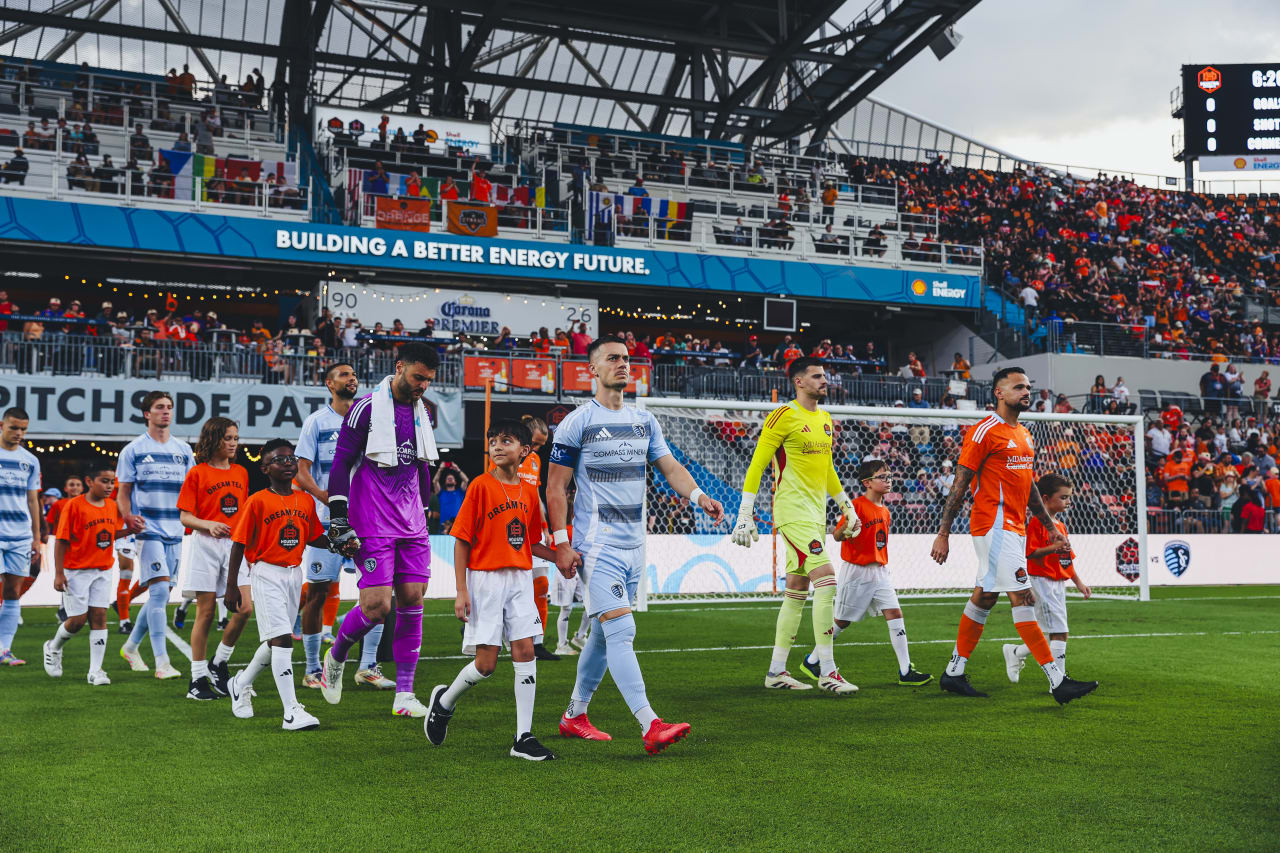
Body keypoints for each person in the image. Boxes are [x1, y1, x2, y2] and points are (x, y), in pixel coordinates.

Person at [549, 335, 723, 753]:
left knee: (603, 637)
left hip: (635, 546)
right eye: (612, 358)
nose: (622, 364)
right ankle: (650, 724)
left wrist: (699, 496)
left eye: (627, 359)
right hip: (598, 545)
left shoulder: (645, 420)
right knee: (622, 630)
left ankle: (574, 715)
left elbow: (670, 466)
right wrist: (561, 543)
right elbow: (556, 488)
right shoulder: (577, 422)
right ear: (592, 369)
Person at [929, 367, 1097, 704]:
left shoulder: (1024, 434)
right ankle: (1057, 680)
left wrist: (1049, 525)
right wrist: (943, 533)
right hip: (993, 526)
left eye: (1028, 386)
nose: (1026, 391)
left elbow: (1028, 484)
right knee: (1023, 598)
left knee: (985, 597)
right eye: (1018, 387)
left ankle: (954, 672)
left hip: (1014, 528)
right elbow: (960, 484)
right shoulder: (983, 433)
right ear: (998, 393)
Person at [425, 418, 560, 760]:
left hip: (519, 579)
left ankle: (523, 737)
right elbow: (460, 542)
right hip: (484, 580)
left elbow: (529, 542)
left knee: (526, 652)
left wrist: (560, 556)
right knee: (486, 665)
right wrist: (461, 590)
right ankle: (443, 702)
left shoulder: (529, 492)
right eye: (493, 441)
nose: (497, 446)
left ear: (525, 451)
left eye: (506, 441)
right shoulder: (481, 487)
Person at [320, 343, 440, 718]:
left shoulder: (424, 413)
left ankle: (404, 695)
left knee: (412, 601)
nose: (423, 386)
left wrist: (424, 503)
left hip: (412, 521)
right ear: (400, 367)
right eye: (418, 377)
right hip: (372, 519)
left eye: (429, 381)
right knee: (377, 606)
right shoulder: (367, 408)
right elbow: (341, 462)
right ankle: (336, 656)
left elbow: (420, 463)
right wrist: (338, 516)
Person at [731, 357, 860, 694]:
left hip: (816, 516)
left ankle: (776, 672)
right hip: (792, 512)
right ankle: (828, 672)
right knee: (828, 582)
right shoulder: (783, 416)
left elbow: (828, 469)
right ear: (798, 381)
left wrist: (848, 508)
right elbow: (758, 464)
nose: (824, 381)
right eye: (817, 376)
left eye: (825, 376)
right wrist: (745, 512)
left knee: (797, 591)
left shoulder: (826, 419)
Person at [224, 439, 333, 730]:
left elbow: (313, 536)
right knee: (283, 639)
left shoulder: (305, 500)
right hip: (265, 572)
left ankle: (240, 682)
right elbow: (238, 544)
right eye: (278, 459)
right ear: (265, 468)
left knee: (276, 641)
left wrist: (338, 543)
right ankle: (291, 712)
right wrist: (232, 585)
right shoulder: (258, 500)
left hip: (293, 574)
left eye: (290, 458)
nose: (287, 463)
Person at [296, 363, 391, 690]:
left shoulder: (371, 420)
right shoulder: (317, 422)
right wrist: (327, 498)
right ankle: (311, 668)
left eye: (354, 374)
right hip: (327, 523)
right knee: (319, 592)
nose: (352, 378)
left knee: (377, 592)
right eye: (343, 375)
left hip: (369, 521)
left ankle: (368, 667)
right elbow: (302, 470)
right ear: (329, 383)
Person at [797, 459, 931, 686]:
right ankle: (812, 660)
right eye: (882, 477)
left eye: (889, 476)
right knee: (841, 621)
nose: (888, 481)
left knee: (895, 614)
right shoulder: (855, 506)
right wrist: (847, 531)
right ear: (867, 482)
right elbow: (837, 535)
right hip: (857, 572)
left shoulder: (886, 511)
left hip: (880, 572)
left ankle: (905, 670)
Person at [116, 391, 194, 679]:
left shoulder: (183, 450)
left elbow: (191, 491)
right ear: (146, 413)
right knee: (160, 592)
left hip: (176, 530)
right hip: (148, 531)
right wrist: (127, 516)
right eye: (159, 407)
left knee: (160, 596)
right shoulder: (133, 449)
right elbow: (123, 492)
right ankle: (162, 662)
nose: (166, 412)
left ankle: (131, 646)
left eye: (169, 407)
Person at [176, 417, 251, 700]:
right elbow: (185, 515)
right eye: (228, 438)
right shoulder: (197, 473)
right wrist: (209, 524)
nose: (233, 443)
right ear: (213, 439)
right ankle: (197, 680)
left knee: (244, 609)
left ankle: (219, 661)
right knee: (205, 613)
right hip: (206, 544)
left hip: (235, 545)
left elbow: (242, 512)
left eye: (235, 438)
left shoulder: (242, 472)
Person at [41, 465, 128, 685]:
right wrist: (59, 573)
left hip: (103, 569)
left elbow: (111, 533)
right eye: (104, 481)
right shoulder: (74, 506)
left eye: (112, 482)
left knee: (100, 617)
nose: (109, 486)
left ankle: (96, 671)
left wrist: (131, 530)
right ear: (89, 481)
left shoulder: (112, 506)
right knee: (78, 621)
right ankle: (53, 647)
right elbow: (61, 540)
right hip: (76, 571)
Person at [1003, 474, 1091, 682]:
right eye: (1063, 497)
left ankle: (1015, 652)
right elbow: (1030, 553)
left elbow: (1066, 559)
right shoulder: (1035, 523)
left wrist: (1078, 582)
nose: (1068, 502)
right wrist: (1054, 547)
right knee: (1060, 632)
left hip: (1058, 584)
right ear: (1044, 498)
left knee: (1045, 633)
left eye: (1069, 497)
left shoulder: (1060, 526)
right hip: (1041, 582)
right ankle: (1059, 680)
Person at [0, 409, 42, 666]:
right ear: (1, 425)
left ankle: (5, 650)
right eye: (14, 428)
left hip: (19, 535)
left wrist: (36, 537)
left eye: (23, 429)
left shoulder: (30, 460)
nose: (19, 434)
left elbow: (32, 499)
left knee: (13, 591)